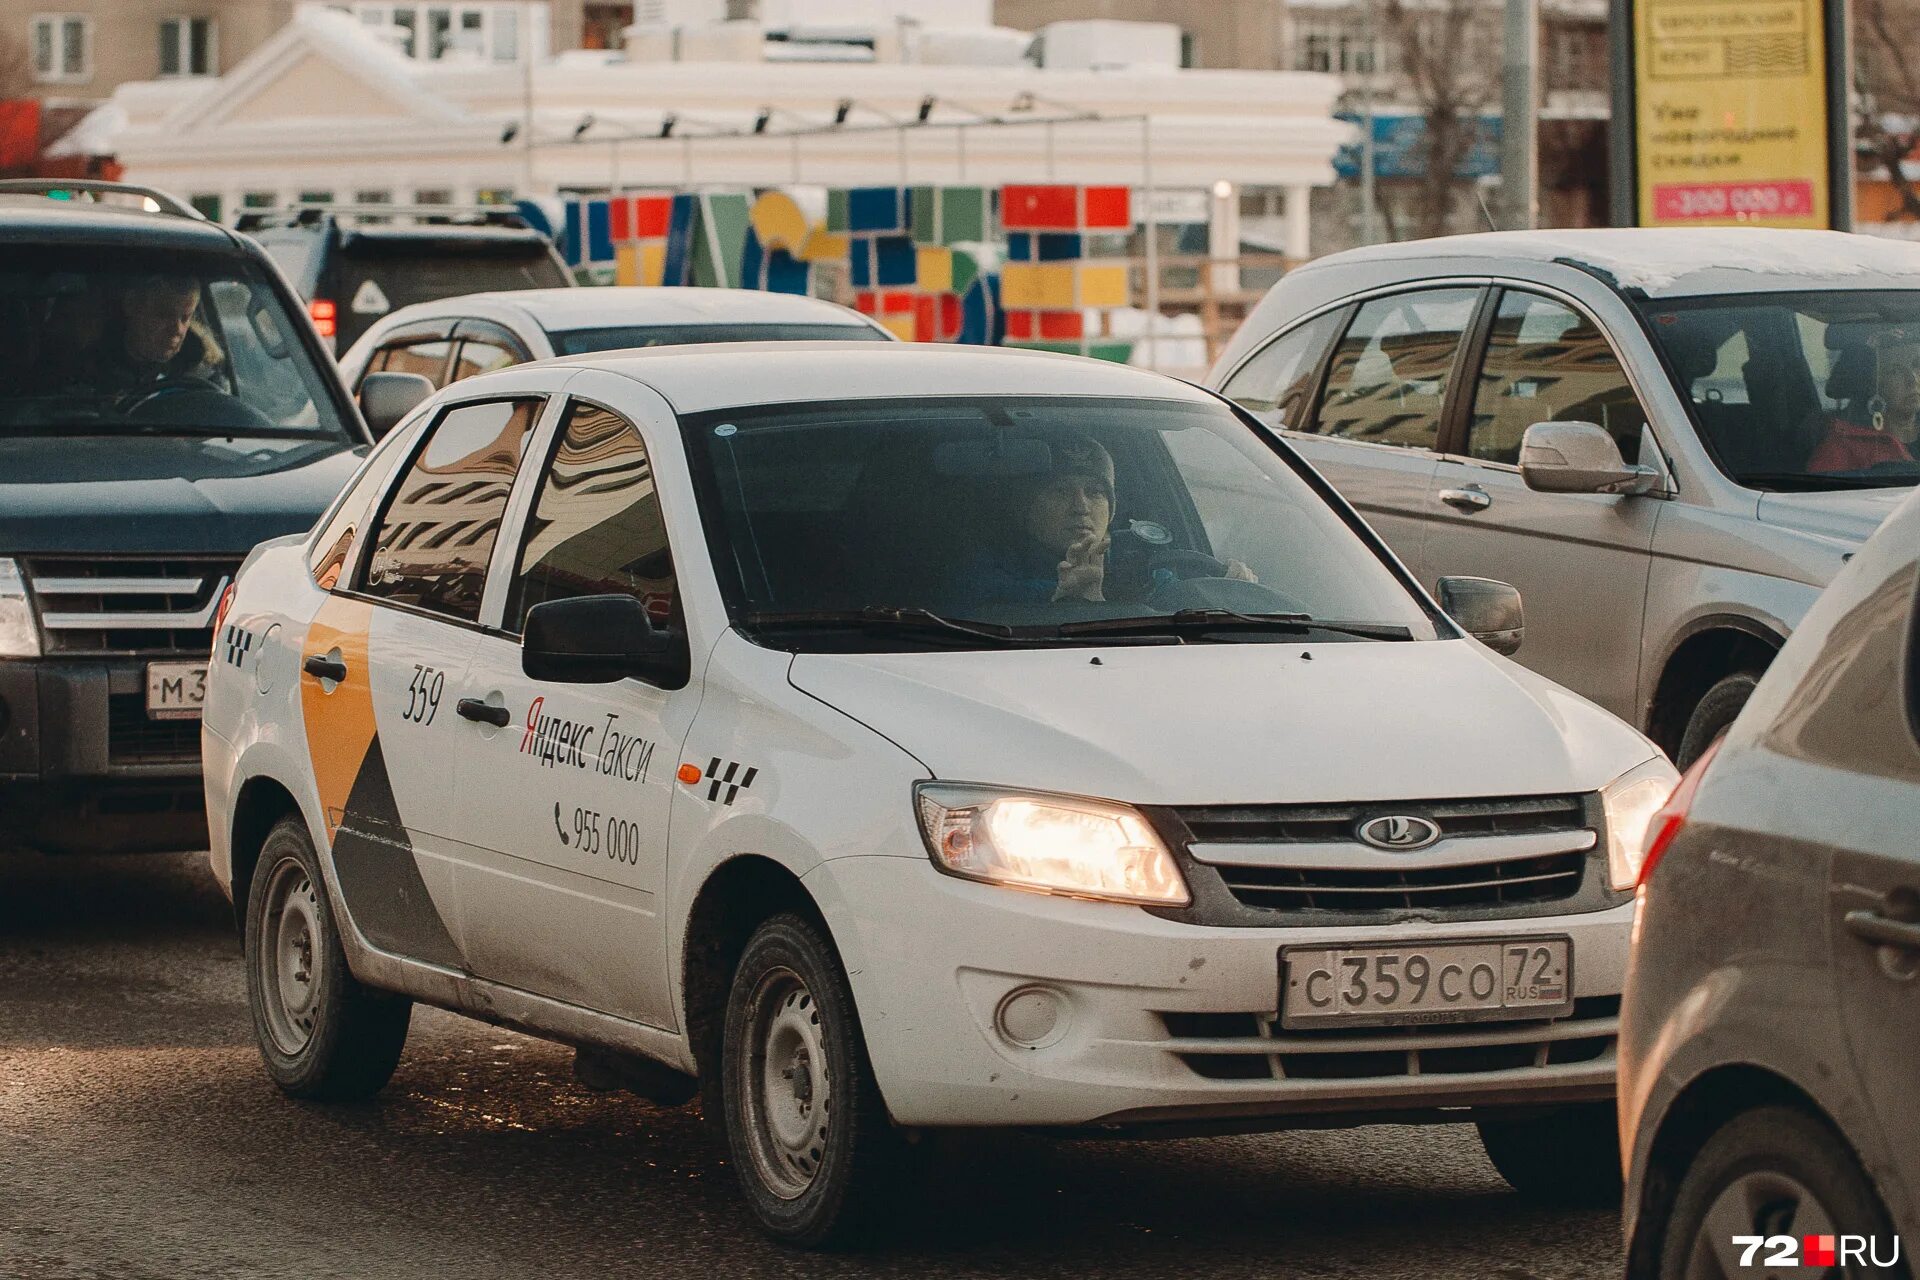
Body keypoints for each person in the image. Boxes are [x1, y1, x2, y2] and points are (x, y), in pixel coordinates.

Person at [1806, 334, 1920, 474]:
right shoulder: (1842, 448)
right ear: (1871, 385)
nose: (1912, 380)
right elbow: (1817, 492)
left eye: (1917, 366)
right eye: (1895, 371)